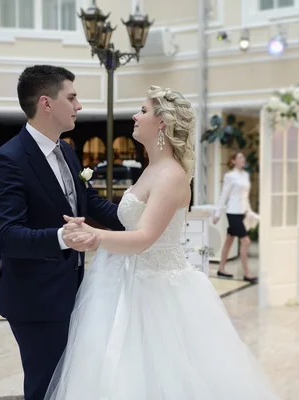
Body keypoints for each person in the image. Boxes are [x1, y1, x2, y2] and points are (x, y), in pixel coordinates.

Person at [46, 86, 279, 400]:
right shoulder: (151, 170)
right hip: (124, 282)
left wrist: (96, 237)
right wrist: (89, 227)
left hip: (156, 292)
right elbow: (131, 223)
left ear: (162, 123)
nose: (135, 115)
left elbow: (144, 238)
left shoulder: (170, 175)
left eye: (142, 110)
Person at [0, 65, 124, 400]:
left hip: (73, 289)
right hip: (36, 298)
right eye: (72, 97)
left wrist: (136, 222)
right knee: (46, 386)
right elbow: (8, 235)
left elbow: (87, 201)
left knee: (71, 382)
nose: (79, 106)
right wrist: (63, 237)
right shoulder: (8, 160)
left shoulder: (66, 150)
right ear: (46, 103)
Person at [213, 151, 258, 282]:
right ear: (233, 161)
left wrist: (249, 212)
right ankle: (247, 273)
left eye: (243, 157)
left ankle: (221, 268)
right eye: (239, 157)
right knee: (246, 241)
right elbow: (224, 195)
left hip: (242, 213)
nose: (243, 159)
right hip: (232, 213)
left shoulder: (245, 175)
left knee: (229, 240)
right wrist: (217, 214)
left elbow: (245, 197)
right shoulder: (230, 176)